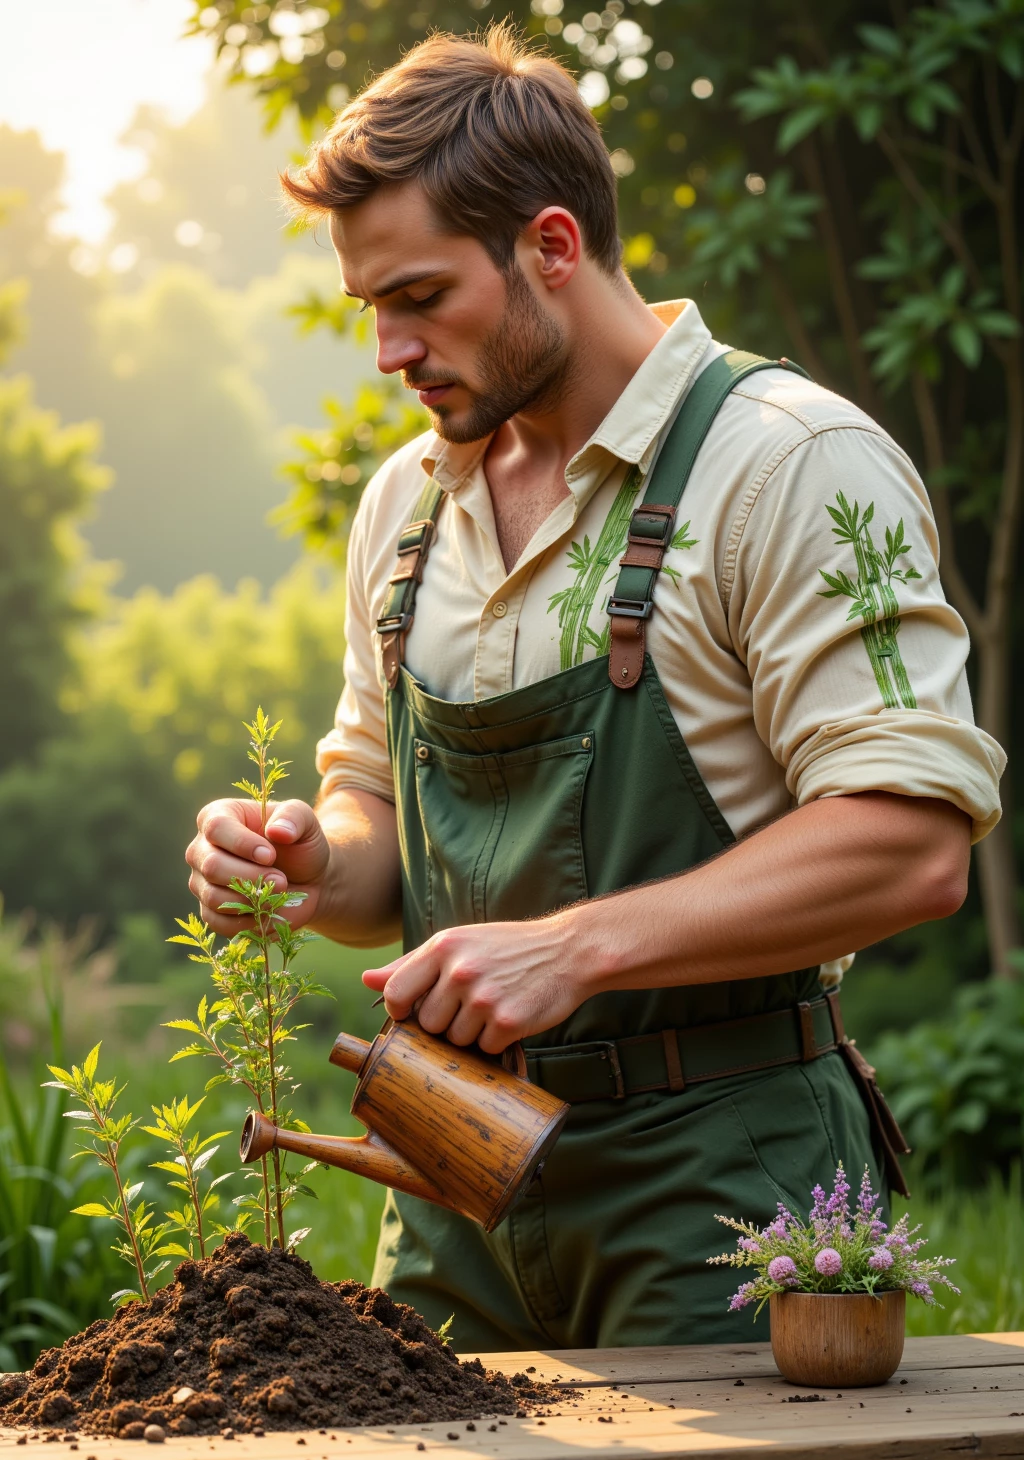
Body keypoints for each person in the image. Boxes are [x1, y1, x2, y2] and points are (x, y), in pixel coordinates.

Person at [186, 26, 1004, 1351]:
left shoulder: (789, 465)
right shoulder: (405, 507)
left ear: (551, 247)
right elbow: (373, 831)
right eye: (369, 310)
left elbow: (910, 849)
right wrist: (303, 859)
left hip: (726, 1191)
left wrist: (574, 948)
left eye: (422, 297)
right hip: (452, 1173)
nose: (389, 350)